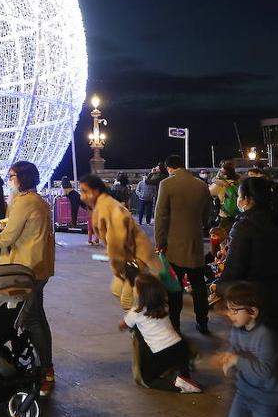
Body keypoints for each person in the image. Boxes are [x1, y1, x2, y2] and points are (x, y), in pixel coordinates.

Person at [219, 175, 278, 417]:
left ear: (248, 200)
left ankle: (250, 415)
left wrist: (219, 290)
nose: (239, 201)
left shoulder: (245, 226)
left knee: (246, 357)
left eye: (241, 196)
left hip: (250, 304)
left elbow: (233, 270)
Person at [0, 160, 56, 398]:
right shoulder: (39, 201)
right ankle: (45, 367)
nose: (9, 179)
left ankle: (44, 371)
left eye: (12, 176)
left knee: (31, 320)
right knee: (38, 318)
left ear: (22, 178)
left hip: (25, 269)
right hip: (38, 267)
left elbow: (9, 237)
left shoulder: (24, 203)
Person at [215, 282, 278, 417]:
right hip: (244, 390)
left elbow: (266, 371)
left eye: (235, 311)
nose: (230, 315)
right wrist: (227, 358)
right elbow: (233, 347)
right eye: (229, 309)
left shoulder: (265, 335)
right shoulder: (237, 328)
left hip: (265, 395)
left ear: (253, 312)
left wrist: (236, 360)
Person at [154, 155, 213, 335]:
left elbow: (161, 217)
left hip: (173, 245)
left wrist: (160, 243)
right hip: (195, 243)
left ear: (169, 168)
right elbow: (208, 213)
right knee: (199, 286)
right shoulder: (201, 185)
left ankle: (175, 322)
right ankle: (202, 321)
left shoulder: (167, 185)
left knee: (175, 286)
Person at [119, 267, 202, 393]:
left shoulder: (136, 312)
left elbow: (123, 325)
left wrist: (123, 324)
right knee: (179, 356)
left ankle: (179, 386)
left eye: (135, 287)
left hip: (162, 352)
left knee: (148, 380)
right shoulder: (162, 307)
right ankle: (185, 375)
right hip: (181, 346)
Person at [80, 175, 154, 310]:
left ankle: (142, 326)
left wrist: (116, 267)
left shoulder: (109, 208)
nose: (81, 196)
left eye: (84, 191)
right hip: (130, 258)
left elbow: (116, 243)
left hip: (135, 259)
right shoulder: (103, 206)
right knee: (118, 291)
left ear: (96, 191)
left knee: (128, 300)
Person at [211, 162, 241, 236]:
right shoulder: (238, 182)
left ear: (224, 175)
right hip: (238, 214)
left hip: (225, 215)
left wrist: (215, 179)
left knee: (222, 238)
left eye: (221, 171)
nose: (219, 172)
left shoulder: (220, 184)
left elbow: (210, 192)